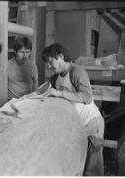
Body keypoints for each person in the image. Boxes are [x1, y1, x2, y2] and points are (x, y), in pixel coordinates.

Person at [41, 42, 105, 176]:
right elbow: (43, 92)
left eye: (50, 61)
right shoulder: (56, 77)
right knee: (77, 164)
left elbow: (87, 97)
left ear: (60, 56)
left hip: (91, 123)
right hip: (76, 125)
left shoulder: (77, 71)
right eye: (47, 63)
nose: (48, 66)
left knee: (92, 168)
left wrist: (60, 93)